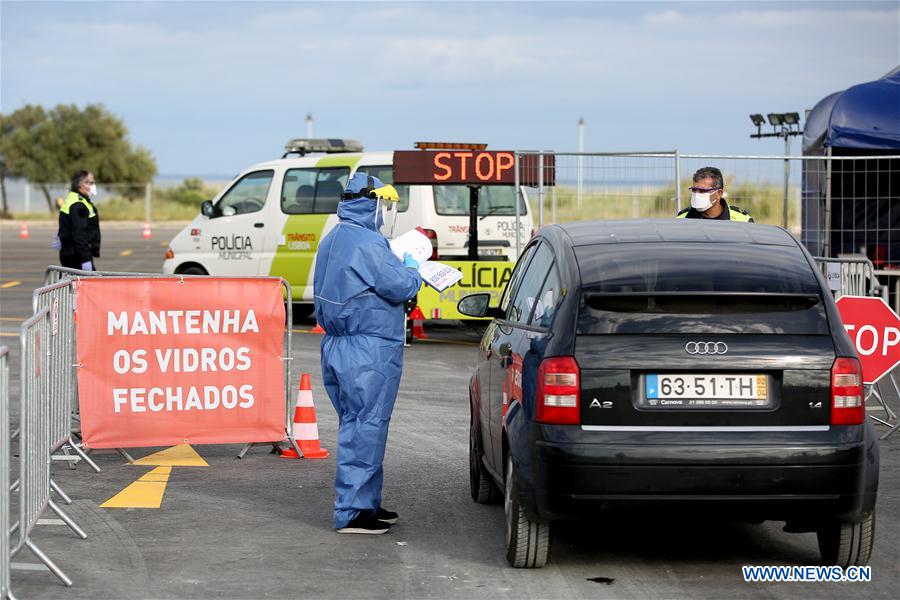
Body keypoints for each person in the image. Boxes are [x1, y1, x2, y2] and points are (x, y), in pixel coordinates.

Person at [313, 172, 422, 535]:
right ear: (371, 202)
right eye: (384, 203)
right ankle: (353, 512)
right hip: (368, 348)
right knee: (367, 427)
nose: (385, 211)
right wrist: (414, 268)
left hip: (338, 345)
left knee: (358, 425)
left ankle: (366, 503)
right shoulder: (369, 243)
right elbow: (400, 285)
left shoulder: (332, 239)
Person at [57, 170, 101, 270]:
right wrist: (85, 260)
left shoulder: (75, 199)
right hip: (77, 255)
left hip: (72, 252)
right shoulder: (78, 205)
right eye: (90, 183)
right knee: (86, 285)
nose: (93, 186)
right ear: (81, 185)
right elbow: (79, 233)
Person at [676, 166, 754, 222]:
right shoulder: (681, 220)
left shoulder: (742, 220)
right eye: (694, 190)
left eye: (702, 191)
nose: (696, 194)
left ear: (719, 193)